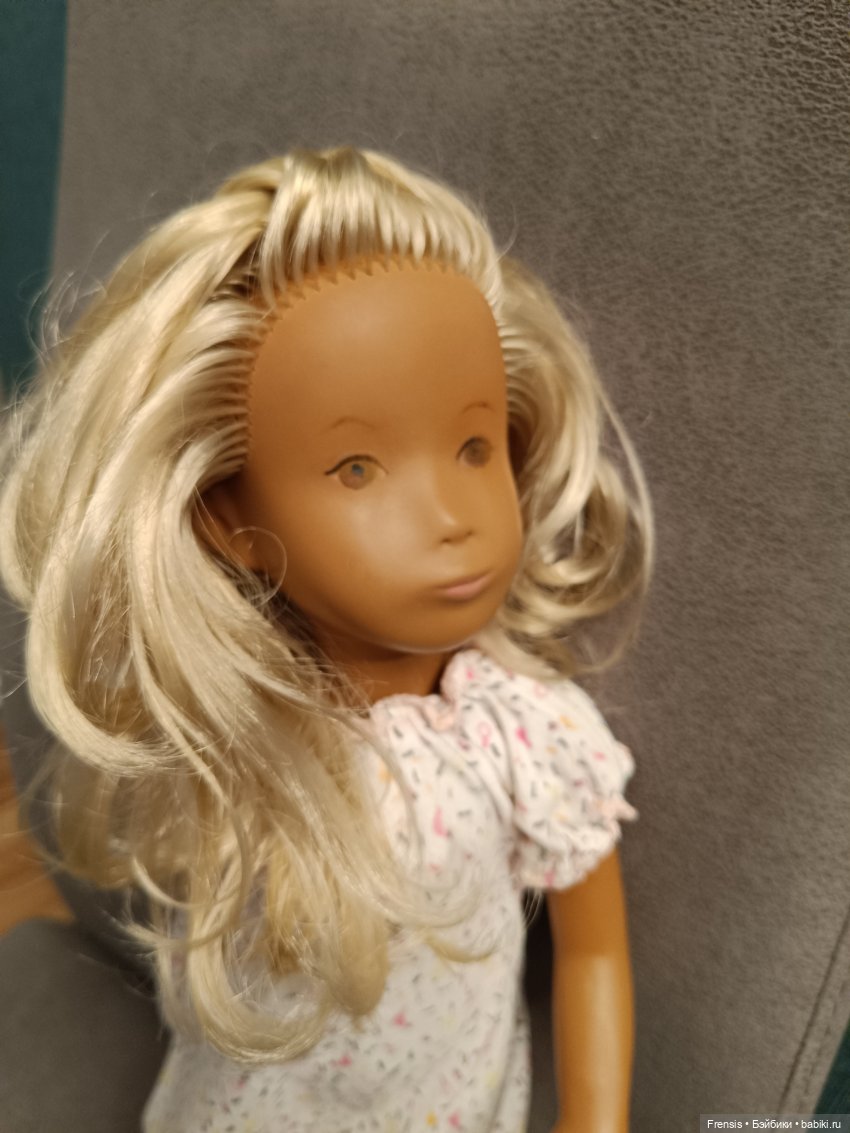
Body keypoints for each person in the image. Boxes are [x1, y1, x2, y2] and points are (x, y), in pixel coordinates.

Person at [0, 146, 653, 1132]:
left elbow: (594, 952)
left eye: (474, 446)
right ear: (228, 517)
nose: (449, 516)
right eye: (356, 468)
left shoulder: (527, 736)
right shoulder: (241, 719)